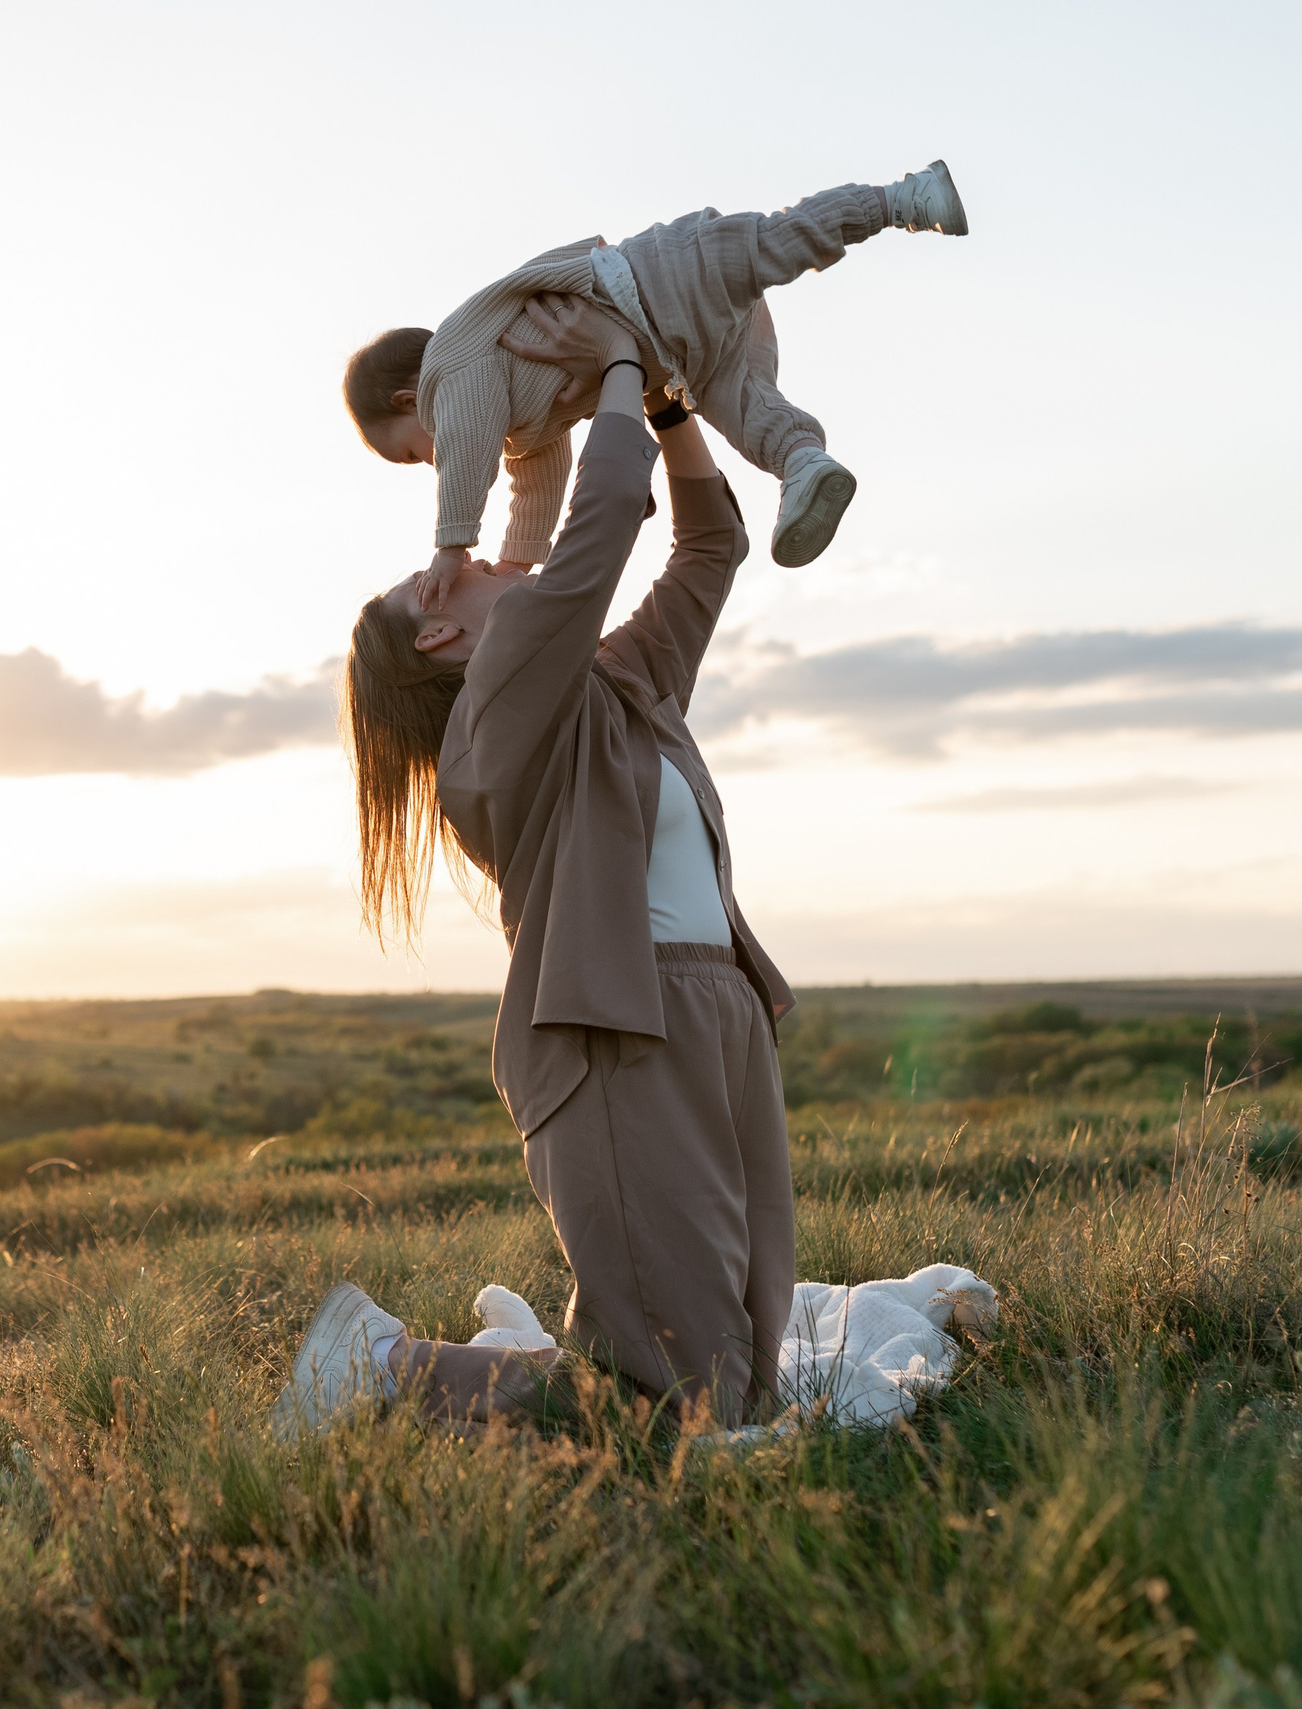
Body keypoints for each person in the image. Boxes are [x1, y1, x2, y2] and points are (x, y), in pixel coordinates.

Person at [276, 296, 797, 1438]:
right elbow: (598, 527)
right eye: (439, 574)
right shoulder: (492, 728)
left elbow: (709, 549)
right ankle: (383, 1363)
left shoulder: (616, 682)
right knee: (688, 1408)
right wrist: (614, 358)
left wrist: (669, 407)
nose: (464, 557)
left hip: (720, 1010)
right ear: (439, 636)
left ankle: (451, 1366)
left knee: (750, 1378)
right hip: (617, 1037)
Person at [342, 164, 966, 595]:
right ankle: (803, 464)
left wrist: (452, 546)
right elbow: (537, 481)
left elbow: (465, 443)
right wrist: (515, 561)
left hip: (654, 278)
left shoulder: (452, 366)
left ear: (408, 398)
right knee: (742, 406)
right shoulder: (521, 428)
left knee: (776, 243)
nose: (430, 461)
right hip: (674, 356)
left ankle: (899, 200)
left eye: (411, 453)